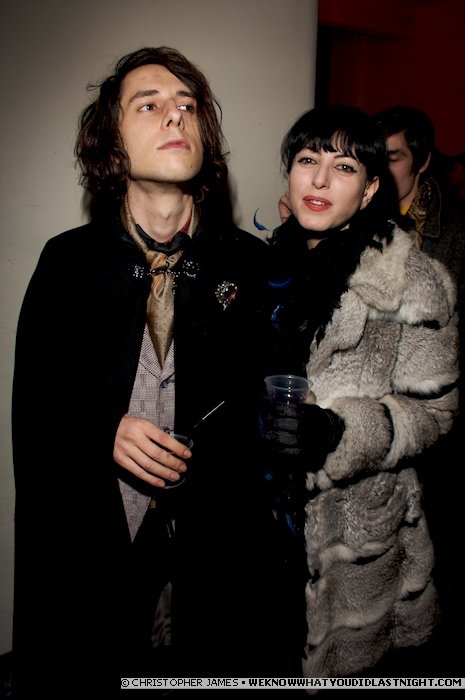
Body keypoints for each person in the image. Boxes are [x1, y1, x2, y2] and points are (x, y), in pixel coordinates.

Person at [11, 46, 277, 697]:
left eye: (188, 105)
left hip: (209, 562)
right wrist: (101, 427)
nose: (175, 116)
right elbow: (34, 408)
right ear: (112, 140)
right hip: (96, 555)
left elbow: (266, 410)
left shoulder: (247, 265)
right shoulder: (68, 263)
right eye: (149, 105)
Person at [263, 105, 459, 680]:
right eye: (307, 160)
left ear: (371, 187)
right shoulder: (262, 267)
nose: (320, 180)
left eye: (344, 167)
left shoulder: (413, 282)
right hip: (261, 518)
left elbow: (435, 412)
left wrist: (341, 432)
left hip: (351, 536)